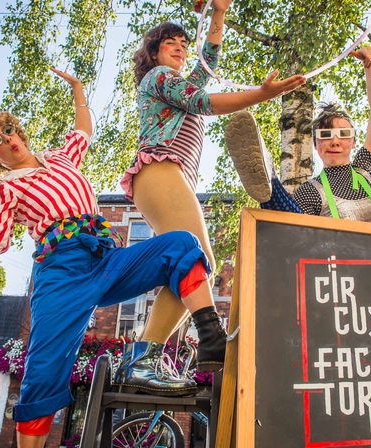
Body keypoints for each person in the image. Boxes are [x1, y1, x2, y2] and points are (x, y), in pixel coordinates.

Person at [0, 68, 225, 448]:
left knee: (181, 244)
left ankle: (212, 337)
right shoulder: (5, 188)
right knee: (43, 375)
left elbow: (83, 130)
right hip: (61, 274)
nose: (7, 140)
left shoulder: (61, 160)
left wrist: (79, 90)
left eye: (7, 130)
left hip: (103, 258)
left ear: (18, 131)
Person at [115, 0, 306, 394]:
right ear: (153, 53)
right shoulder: (159, 79)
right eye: (171, 43)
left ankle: (145, 357)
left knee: (196, 263)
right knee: (194, 257)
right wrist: (262, 94)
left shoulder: (179, 78)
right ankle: (199, 338)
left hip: (171, 177)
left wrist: (218, 13)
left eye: (184, 44)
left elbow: (209, 62)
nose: (181, 49)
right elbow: (205, 102)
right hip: (159, 170)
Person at [225, 45, 371, 224]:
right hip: (330, 251)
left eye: (343, 134)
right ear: (315, 145)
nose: (334, 141)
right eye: (326, 135)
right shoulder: (310, 192)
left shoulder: (367, 168)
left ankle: (271, 182)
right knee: (293, 223)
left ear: (353, 142)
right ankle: (269, 183)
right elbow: (298, 242)